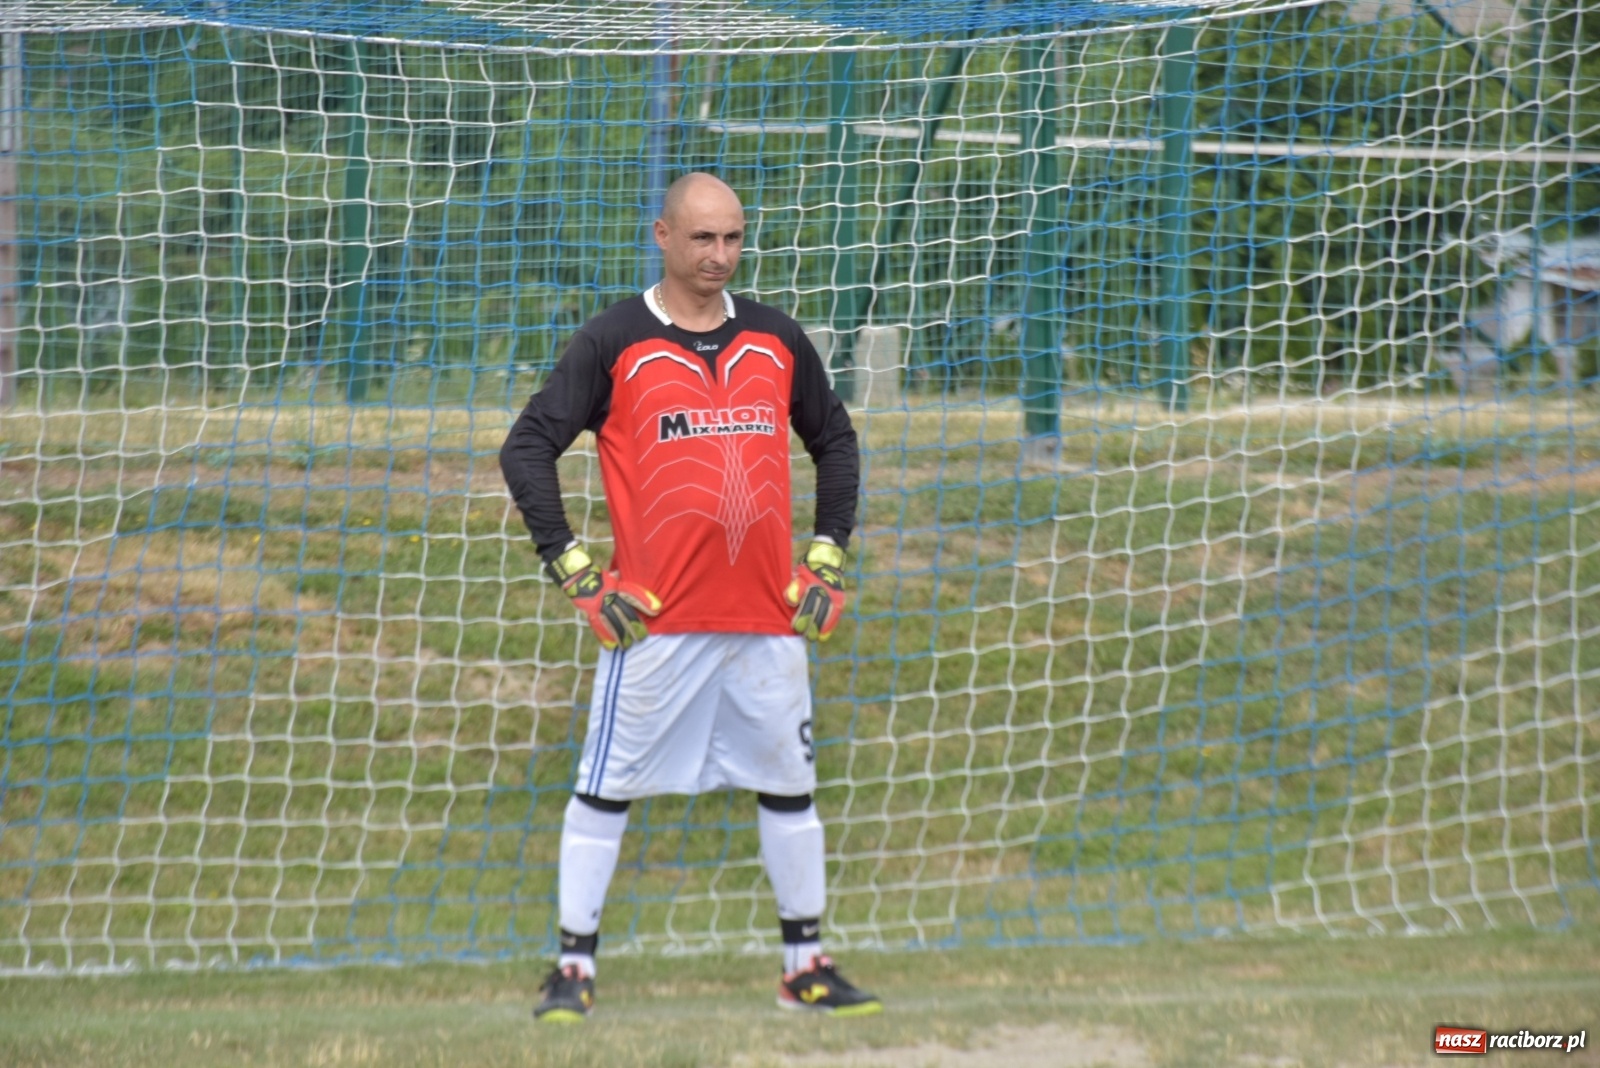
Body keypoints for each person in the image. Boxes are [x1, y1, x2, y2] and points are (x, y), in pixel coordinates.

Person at [499, 172, 878, 1022]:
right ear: (663, 235)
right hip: (656, 628)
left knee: (791, 788)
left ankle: (805, 968)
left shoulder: (777, 339)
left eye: (733, 239)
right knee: (605, 789)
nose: (719, 255)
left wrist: (827, 558)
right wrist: (574, 571)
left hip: (767, 622)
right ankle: (572, 971)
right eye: (702, 238)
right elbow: (526, 449)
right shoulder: (614, 340)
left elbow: (837, 442)